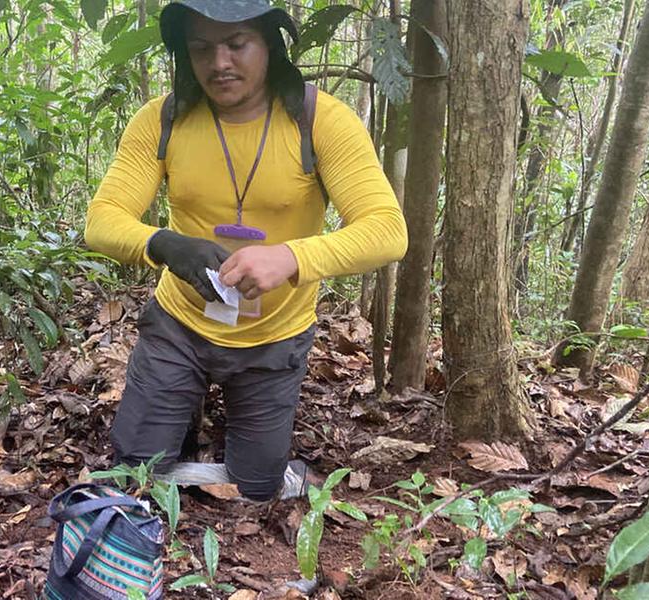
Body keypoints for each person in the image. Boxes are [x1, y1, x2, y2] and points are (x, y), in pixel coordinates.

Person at [84, 0, 408, 502]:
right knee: (135, 475)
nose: (220, 63)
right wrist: (163, 243)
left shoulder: (319, 122)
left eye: (237, 45)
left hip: (273, 337)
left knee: (255, 489)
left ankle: (221, 435)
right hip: (180, 325)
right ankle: (176, 412)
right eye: (202, 48)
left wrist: (292, 258)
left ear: (270, 45)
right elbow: (101, 221)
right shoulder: (163, 120)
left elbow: (388, 229)